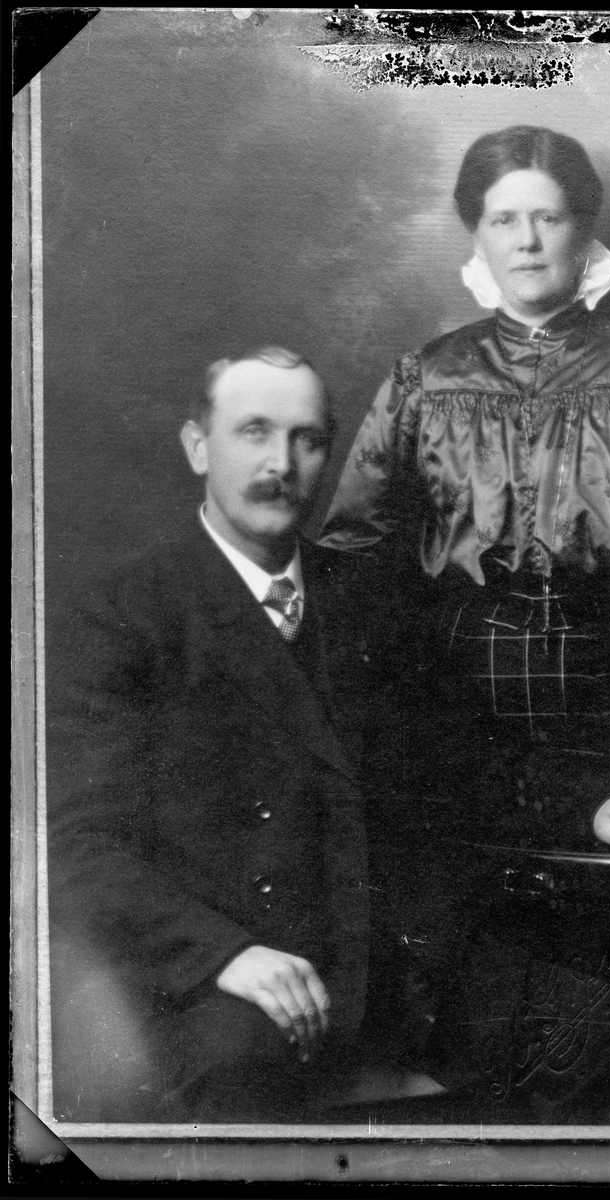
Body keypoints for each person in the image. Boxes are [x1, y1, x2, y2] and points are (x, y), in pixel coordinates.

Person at [320, 127, 610, 1069]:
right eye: (505, 220)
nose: (528, 241)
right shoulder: (425, 377)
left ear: (585, 229)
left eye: (549, 217)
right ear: (477, 234)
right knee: (454, 938)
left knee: (604, 934)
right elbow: (350, 553)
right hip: (453, 689)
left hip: (603, 684)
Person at [46, 348, 377, 1123]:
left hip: (373, 969)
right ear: (199, 447)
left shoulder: (371, 599)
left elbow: (463, 771)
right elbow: (76, 846)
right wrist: (225, 955)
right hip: (213, 978)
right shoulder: (122, 612)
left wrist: (595, 803)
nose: (281, 465)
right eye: (253, 432)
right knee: (237, 1072)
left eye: (306, 440)